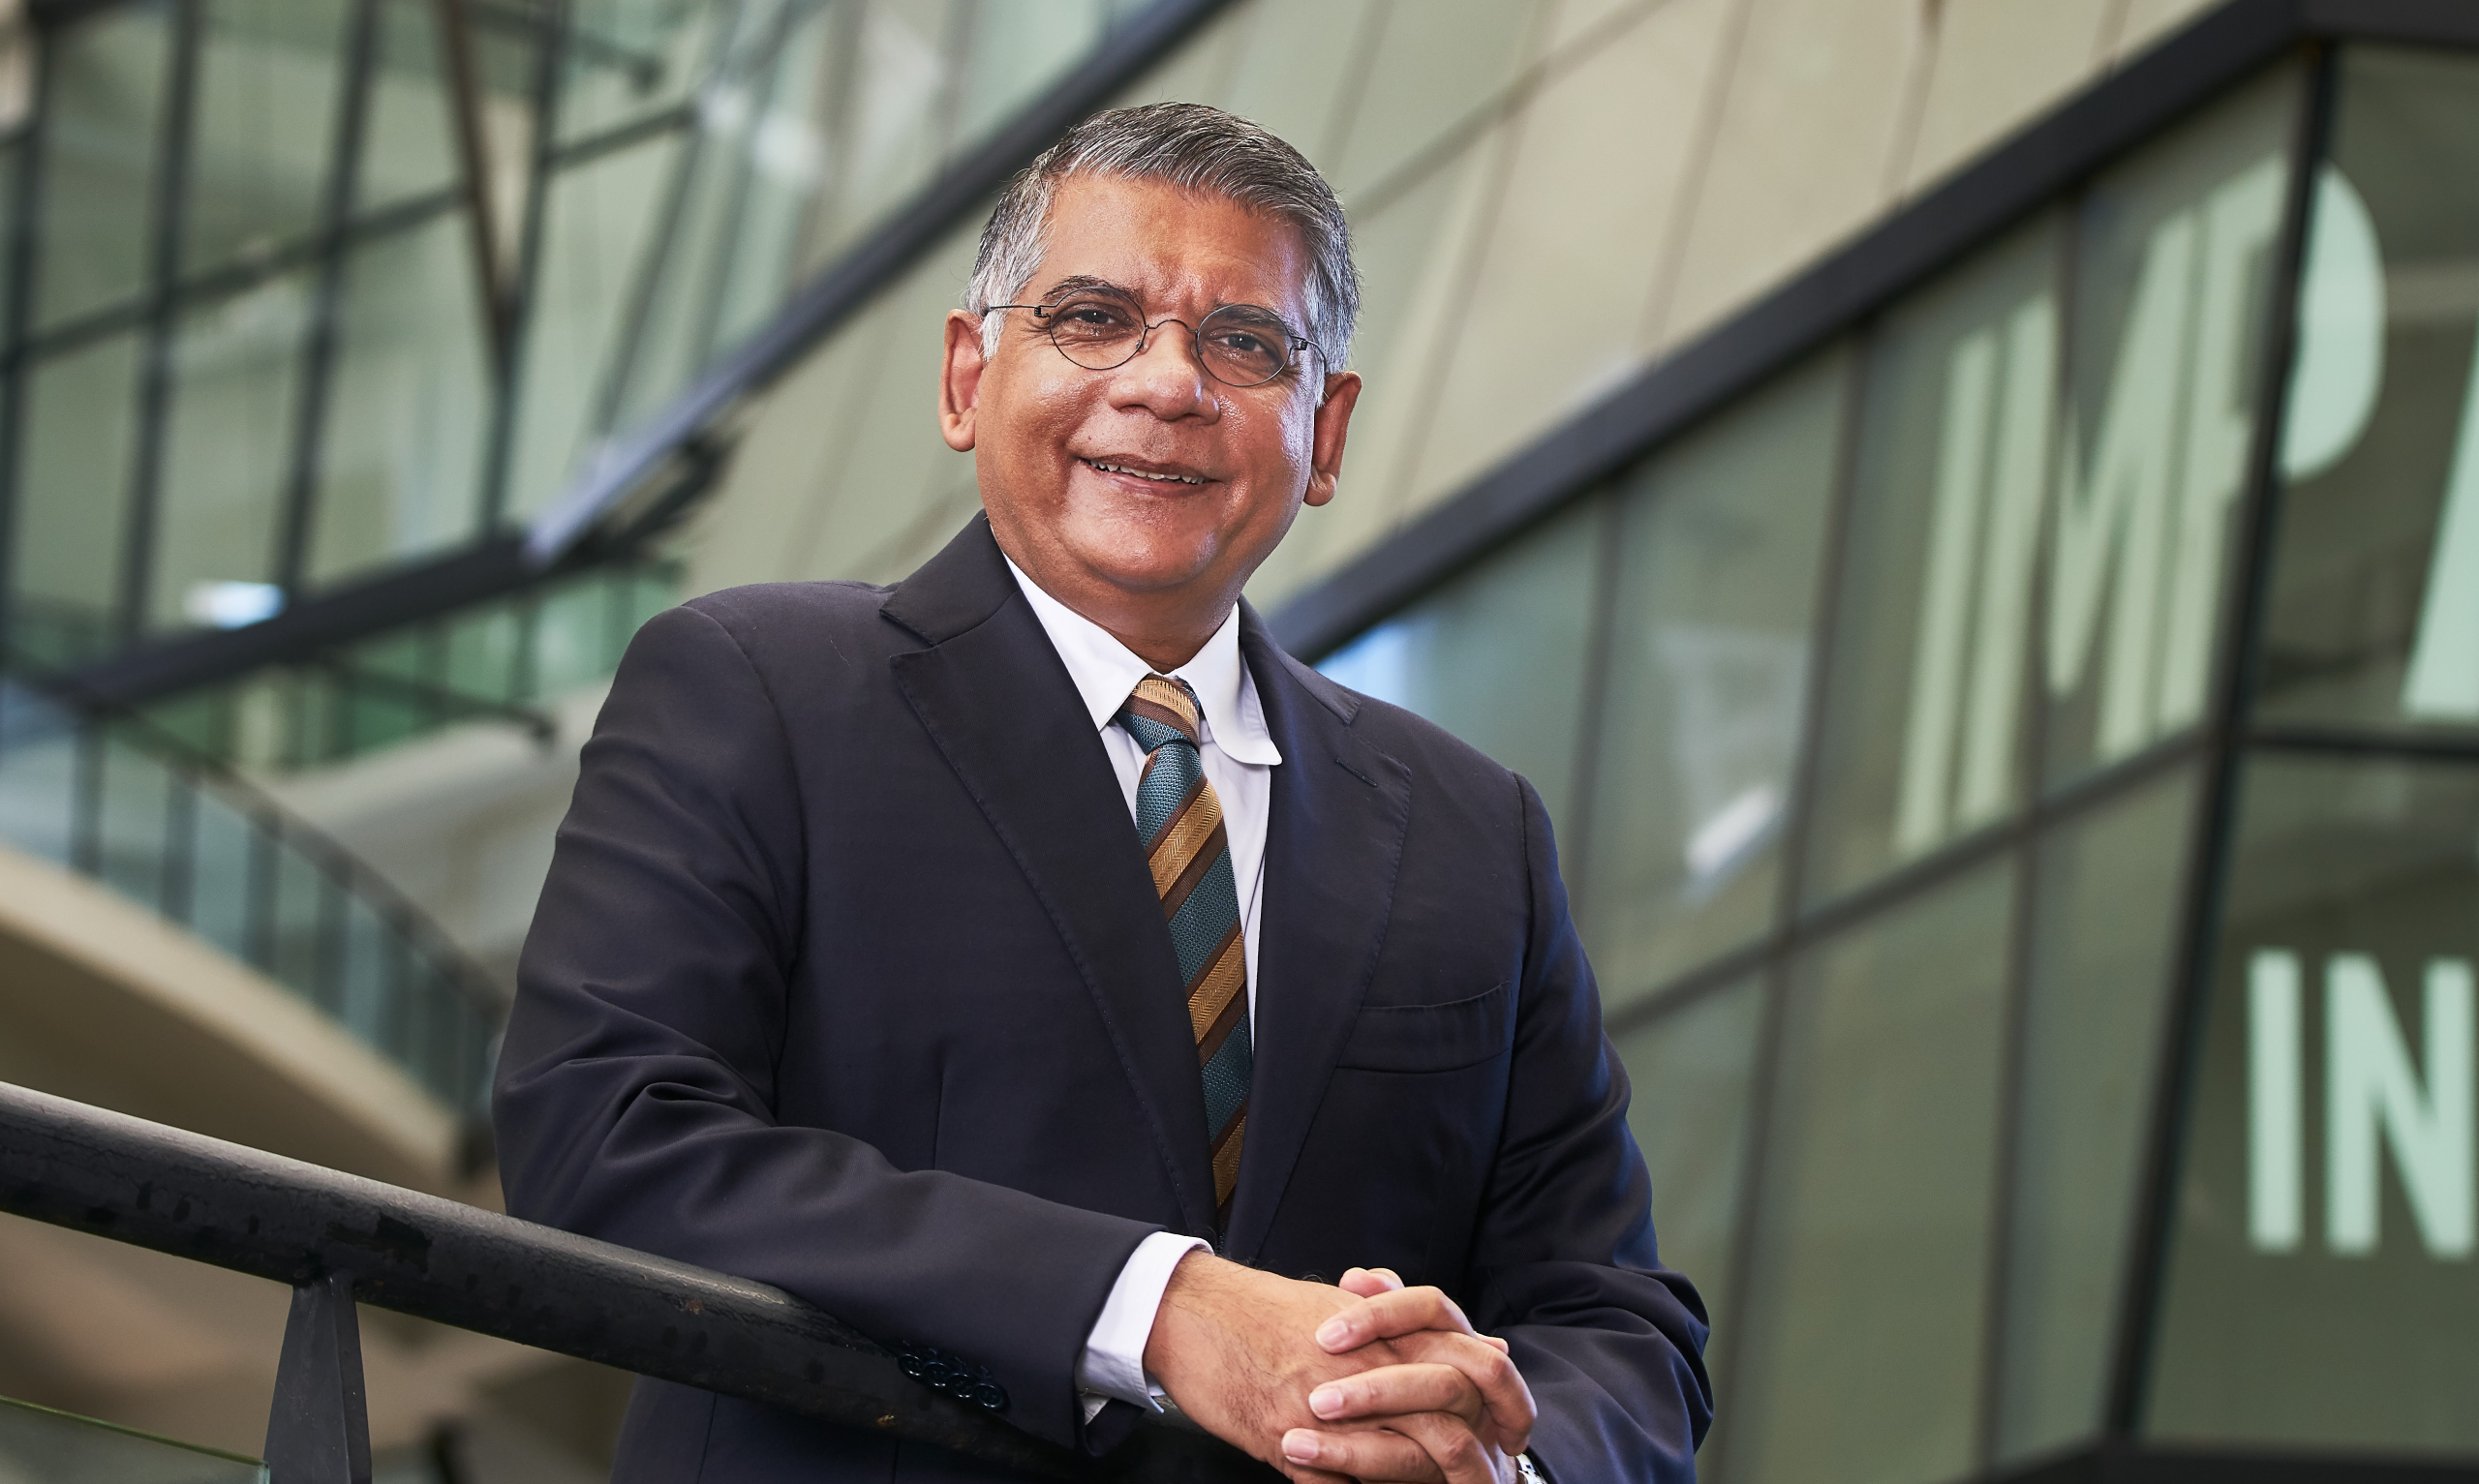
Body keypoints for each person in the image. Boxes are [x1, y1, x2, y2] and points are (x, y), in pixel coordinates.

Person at [494, 102, 1710, 1484]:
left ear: (1326, 435)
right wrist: (1160, 1307)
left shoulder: (1472, 831)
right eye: (1091, 317)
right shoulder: (755, 692)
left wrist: (1498, 1457)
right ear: (967, 376)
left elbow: (1614, 1319)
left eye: (1247, 343)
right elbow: (605, 1131)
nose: (1167, 383)